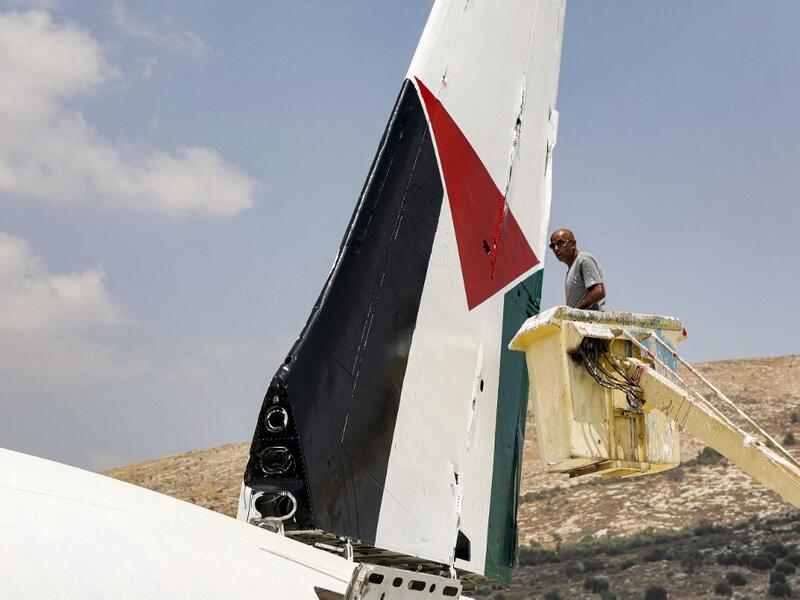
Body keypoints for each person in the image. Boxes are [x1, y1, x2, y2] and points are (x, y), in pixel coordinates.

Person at [549, 228, 605, 310]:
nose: (556, 248)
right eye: (553, 246)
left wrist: (574, 312)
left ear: (573, 244)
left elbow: (598, 291)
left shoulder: (583, 260)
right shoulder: (571, 270)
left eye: (560, 243)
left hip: (589, 320)